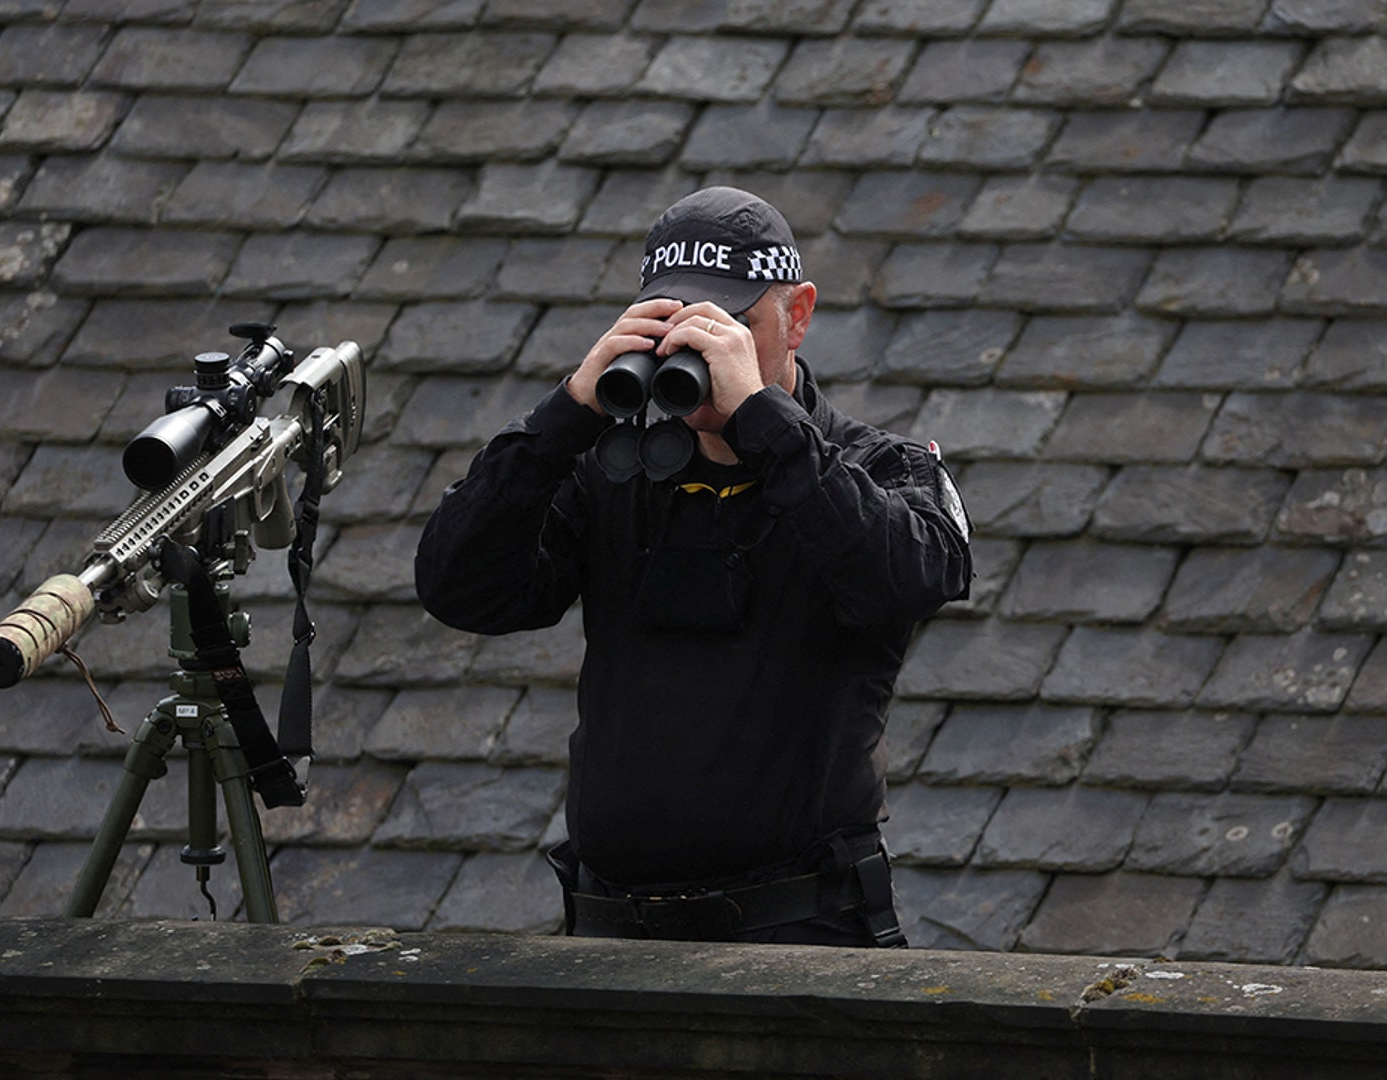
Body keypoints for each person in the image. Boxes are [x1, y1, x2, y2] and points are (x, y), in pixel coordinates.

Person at [414, 186, 973, 946]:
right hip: (613, 936)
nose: (702, 350)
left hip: (802, 935)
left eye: (733, 325)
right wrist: (565, 417)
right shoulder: (611, 476)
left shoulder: (880, 468)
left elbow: (907, 578)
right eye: (677, 324)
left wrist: (765, 423)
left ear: (798, 316)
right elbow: (459, 588)